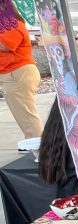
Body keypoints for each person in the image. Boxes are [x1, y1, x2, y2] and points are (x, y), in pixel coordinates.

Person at [0, 7, 41, 139]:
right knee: (25, 118)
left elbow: (5, 45)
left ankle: (44, 153)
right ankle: (38, 148)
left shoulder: (12, 23)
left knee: (28, 119)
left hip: (18, 74)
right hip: (13, 74)